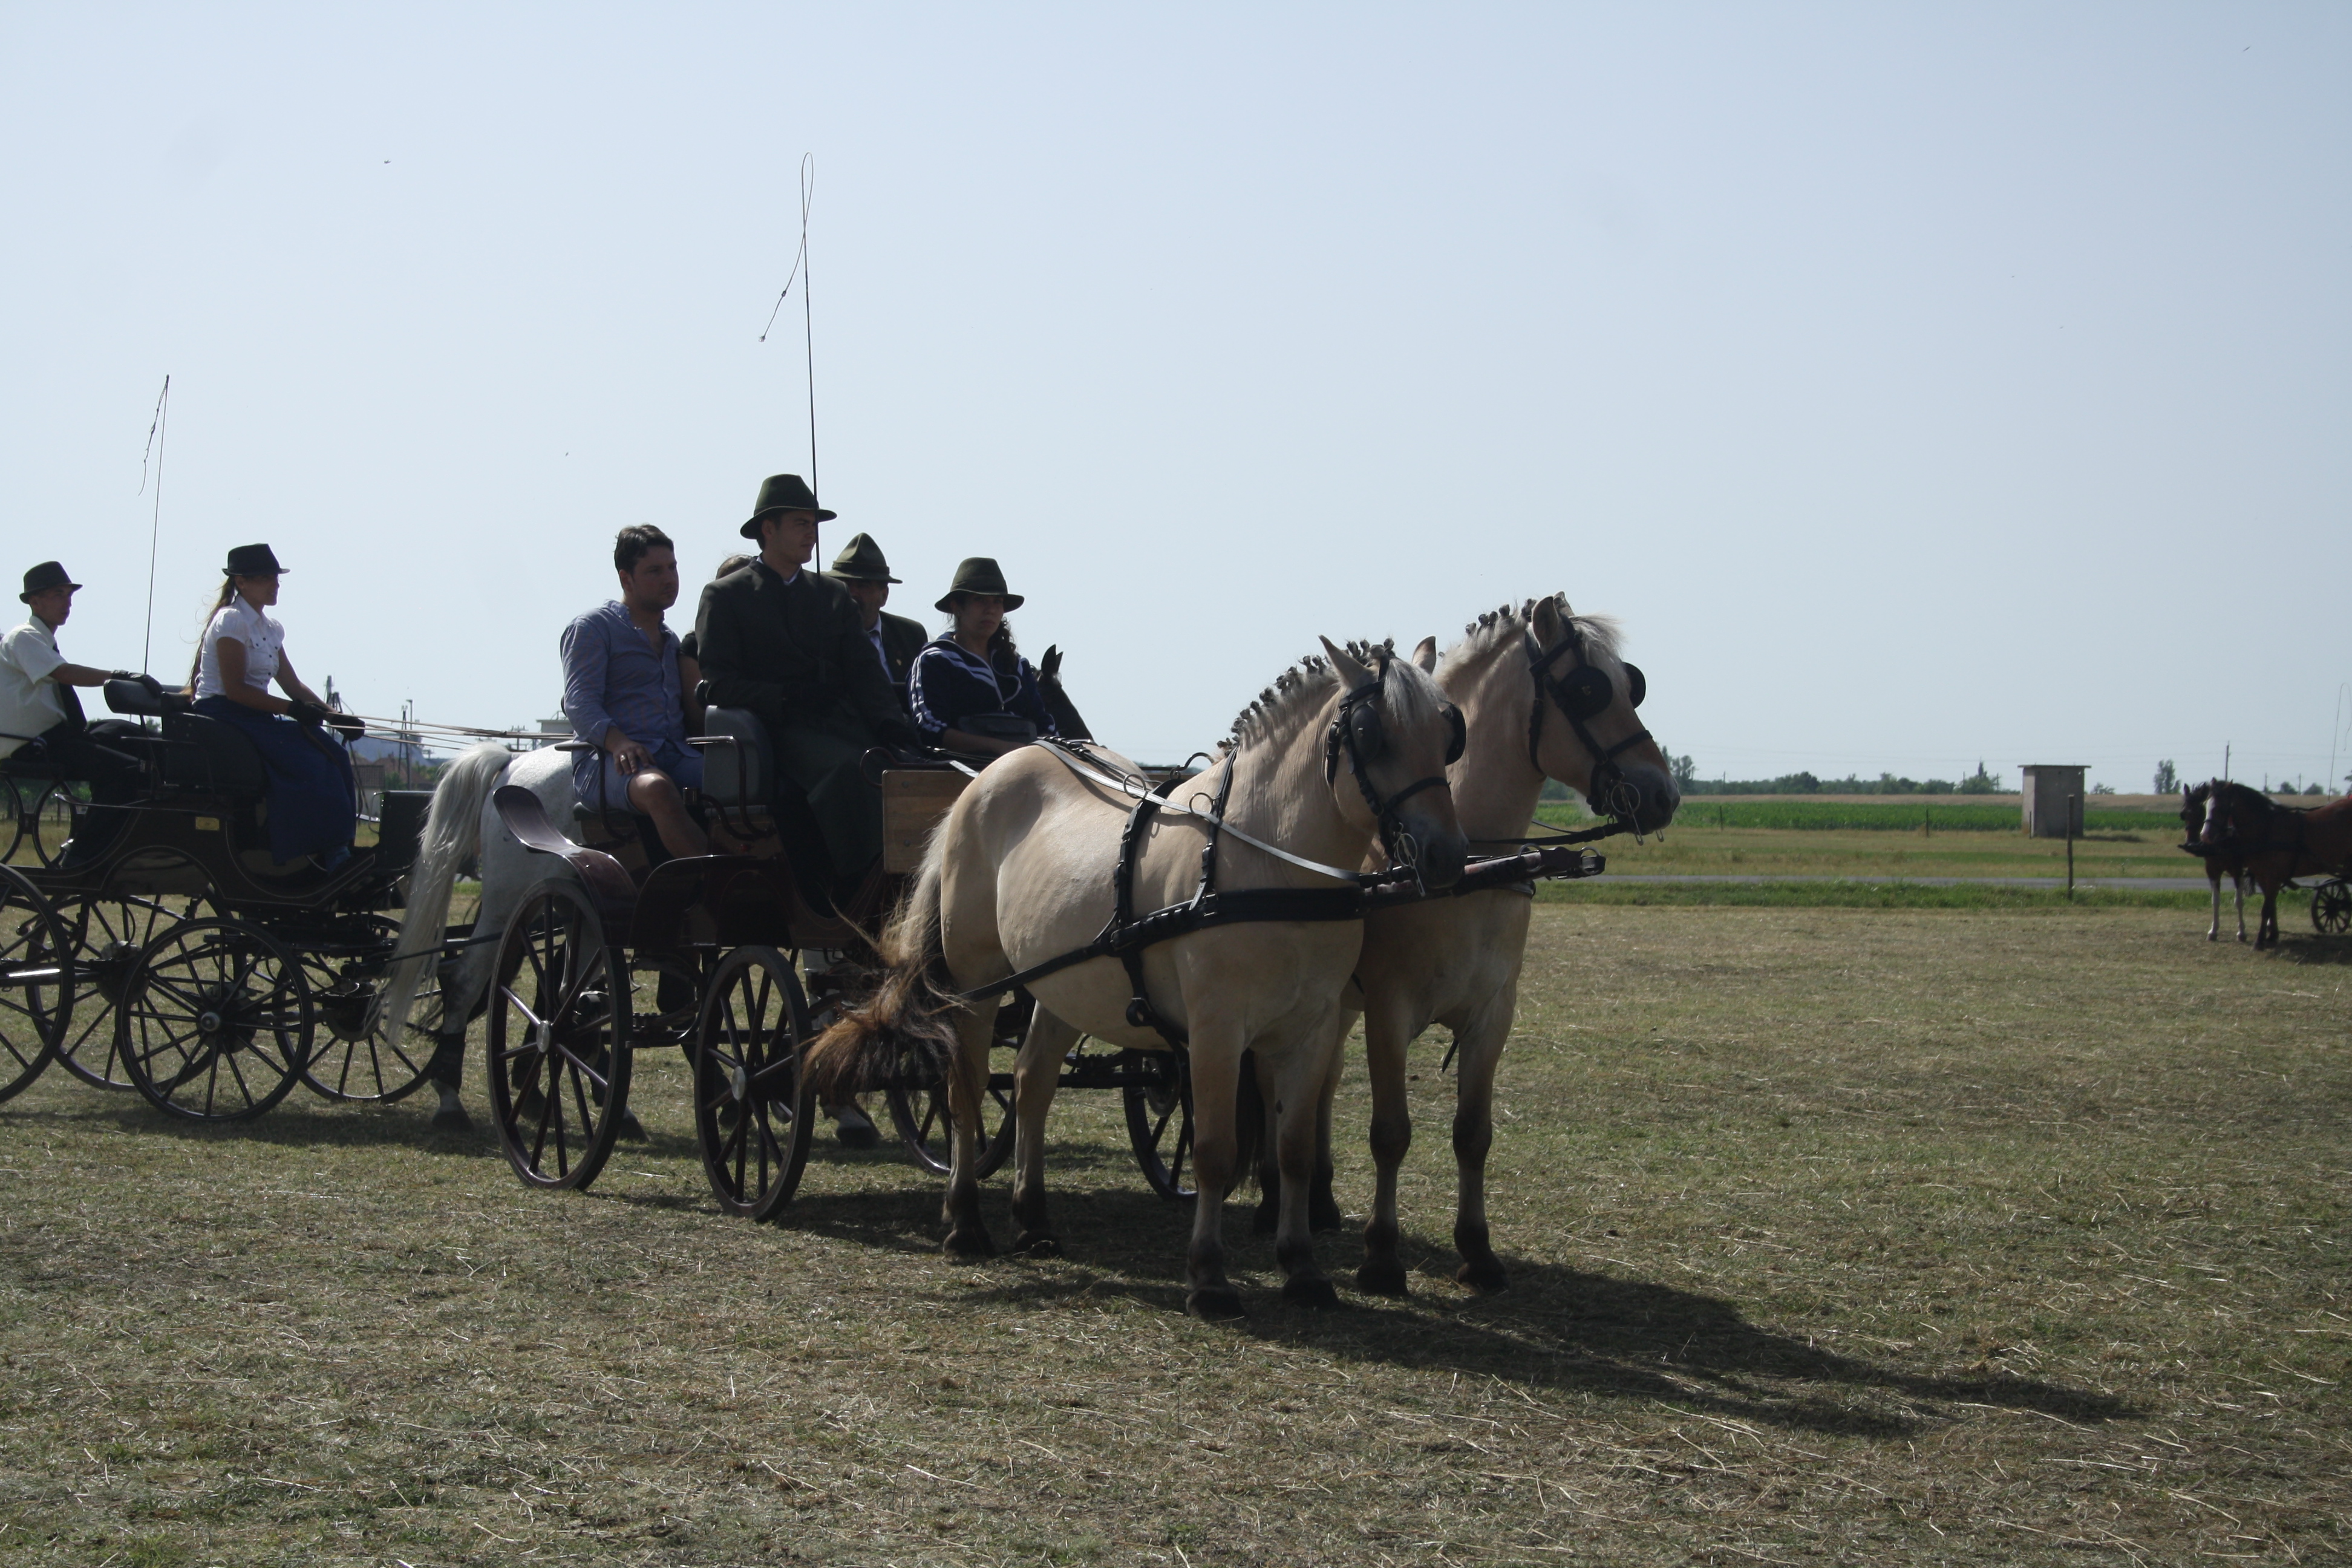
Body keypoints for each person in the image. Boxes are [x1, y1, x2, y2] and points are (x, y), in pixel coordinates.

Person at [694, 474, 916, 906]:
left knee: (906, 768)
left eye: (814, 525)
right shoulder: (726, 596)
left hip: (841, 721)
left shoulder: (831, 595)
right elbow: (719, 683)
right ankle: (861, 887)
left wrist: (894, 727)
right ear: (768, 528)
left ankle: (911, 876)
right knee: (850, 771)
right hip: (776, 728)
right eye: (801, 523)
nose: (811, 534)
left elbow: (865, 673)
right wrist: (784, 697)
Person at [189, 544, 362, 869]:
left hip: (256, 714)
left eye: (276, 578)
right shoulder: (231, 621)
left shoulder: (271, 629)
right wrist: (292, 710)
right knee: (309, 763)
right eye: (265, 578)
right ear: (241, 582)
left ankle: (341, 846)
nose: (275, 584)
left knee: (334, 754)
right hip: (222, 714)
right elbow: (236, 690)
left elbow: (293, 685)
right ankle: (318, 852)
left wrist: (334, 716)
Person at [561, 526, 708, 860]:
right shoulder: (593, 628)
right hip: (607, 763)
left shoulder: (671, 640)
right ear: (626, 579)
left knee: (747, 779)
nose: (669, 579)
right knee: (657, 787)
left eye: (672, 567)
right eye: (655, 571)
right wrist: (620, 743)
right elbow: (579, 702)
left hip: (673, 755)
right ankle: (716, 879)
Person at [0, 561, 157, 868]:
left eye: (69, 595)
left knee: (130, 735)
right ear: (35, 601)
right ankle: (83, 854)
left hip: (58, 737)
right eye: (58, 595)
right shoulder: (23, 637)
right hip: (32, 745)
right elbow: (65, 673)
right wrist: (119, 676)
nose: (67, 603)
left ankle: (134, 835)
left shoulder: (43, 641)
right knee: (126, 771)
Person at [910, 557, 1058, 758]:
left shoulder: (1017, 666)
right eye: (980, 600)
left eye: (997, 602)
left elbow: (1045, 725)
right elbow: (929, 729)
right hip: (958, 767)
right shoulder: (935, 660)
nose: (991, 610)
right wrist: (1000, 748)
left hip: (1023, 765)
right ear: (957, 607)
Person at [826, 534, 927, 710]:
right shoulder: (820, 631)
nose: (852, 593)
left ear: (884, 596)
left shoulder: (909, 634)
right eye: (845, 584)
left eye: (863, 585)